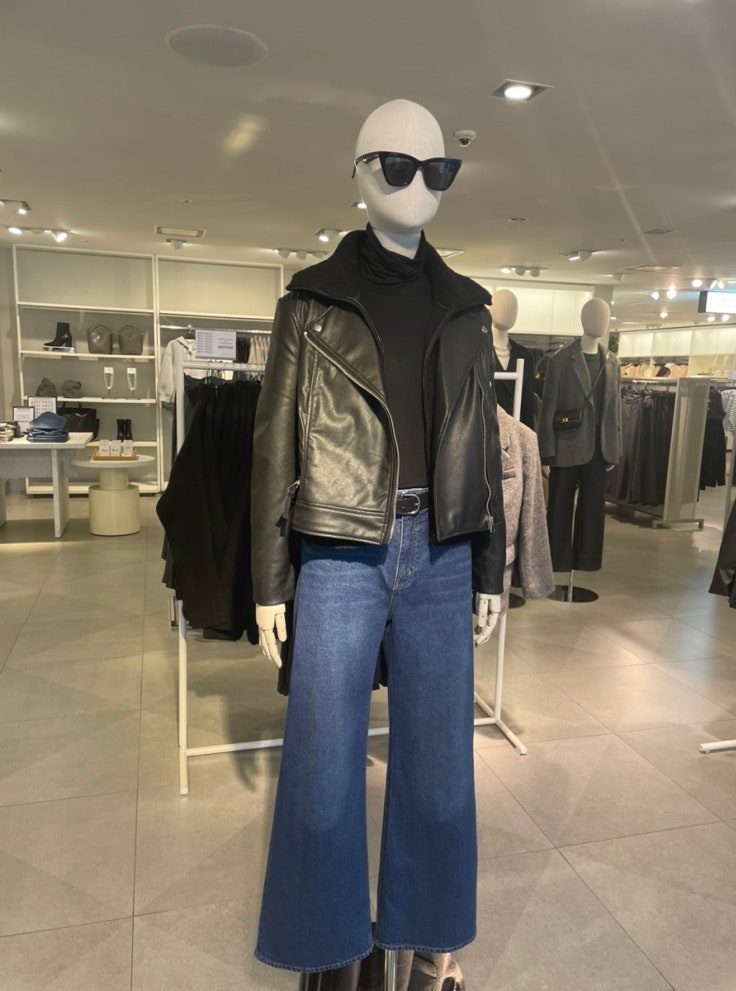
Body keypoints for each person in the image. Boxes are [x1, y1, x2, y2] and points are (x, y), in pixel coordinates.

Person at [250, 98, 506, 976]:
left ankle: (428, 953)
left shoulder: (466, 308)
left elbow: (482, 446)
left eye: (438, 170)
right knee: (322, 768)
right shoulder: (311, 302)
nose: (418, 185)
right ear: (359, 174)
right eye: (397, 166)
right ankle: (330, 950)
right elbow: (273, 444)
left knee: (438, 770)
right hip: (340, 548)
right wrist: (267, 578)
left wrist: (488, 565)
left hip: (441, 550)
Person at [537, 297, 621, 572]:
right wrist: (546, 452)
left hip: (599, 448)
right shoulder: (561, 360)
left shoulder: (612, 362)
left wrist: (613, 448)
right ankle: (555, 559)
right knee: (559, 506)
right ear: (583, 320)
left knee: (593, 509)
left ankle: (587, 559)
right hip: (566, 445)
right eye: (595, 316)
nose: (601, 322)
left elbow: (615, 410)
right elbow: (548, 407)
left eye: (605, 317)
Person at [489, 288, 536, 429]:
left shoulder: (524, 355)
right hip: (485, 431)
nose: (508, 311)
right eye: (502, 305)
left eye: (513, 307)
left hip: (516, 432)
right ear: (490, 310)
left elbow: (528, 405)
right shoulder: (478, 352)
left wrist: (529, 437)